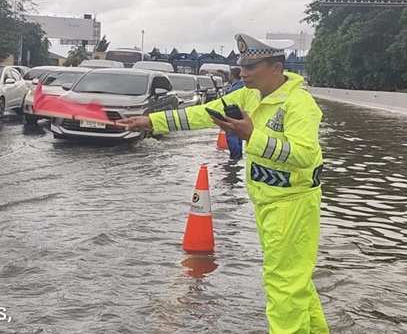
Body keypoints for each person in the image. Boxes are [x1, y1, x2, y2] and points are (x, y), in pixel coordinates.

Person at [118, 33, 329, 334]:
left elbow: (305, 156)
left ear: (276, 68)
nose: (242, 73)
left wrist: (252, 137)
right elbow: (205, 114)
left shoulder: (299, 104)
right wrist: (153, 122)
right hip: (270, 202)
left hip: (291, 204)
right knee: (295, 281)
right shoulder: (248, 95)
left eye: (251, 67)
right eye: (242, 66)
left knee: (283, 285)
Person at [225, 67, 244, 160]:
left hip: (233, 116)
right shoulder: (243, 86)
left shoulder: (234, 89)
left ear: (232, 76)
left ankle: (235, 157)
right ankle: (239, 155)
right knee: (239, 136)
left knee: (232, 136)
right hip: (242, 116)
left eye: (229, 74)